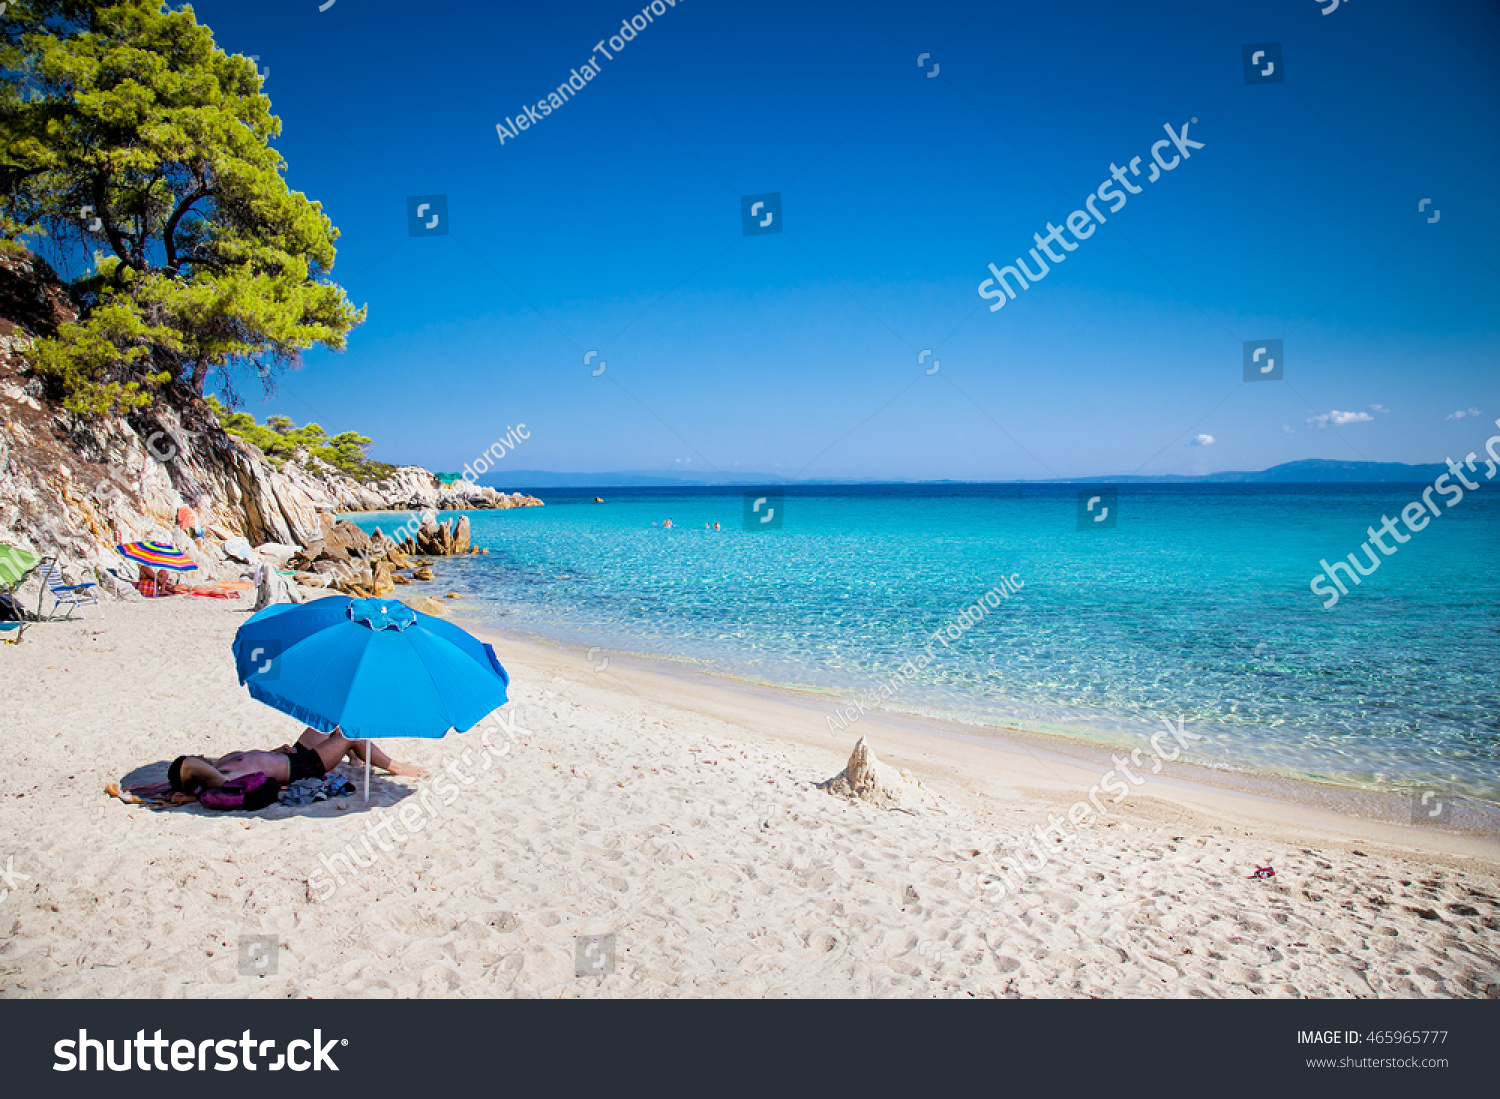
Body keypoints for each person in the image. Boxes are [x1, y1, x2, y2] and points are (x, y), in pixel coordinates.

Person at [167, 726, 425, 794]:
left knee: (330, 720)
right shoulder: (223, 779)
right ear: (193, 770)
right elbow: (190, 768)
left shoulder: (221, 762)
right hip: (301, 767)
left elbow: (256, 761)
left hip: (290, 754)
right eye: (193, 759)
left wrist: (273, 751)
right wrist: (186, 768)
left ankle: (356, 758)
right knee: (350, 734)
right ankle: (395, 767)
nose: (198, 756)